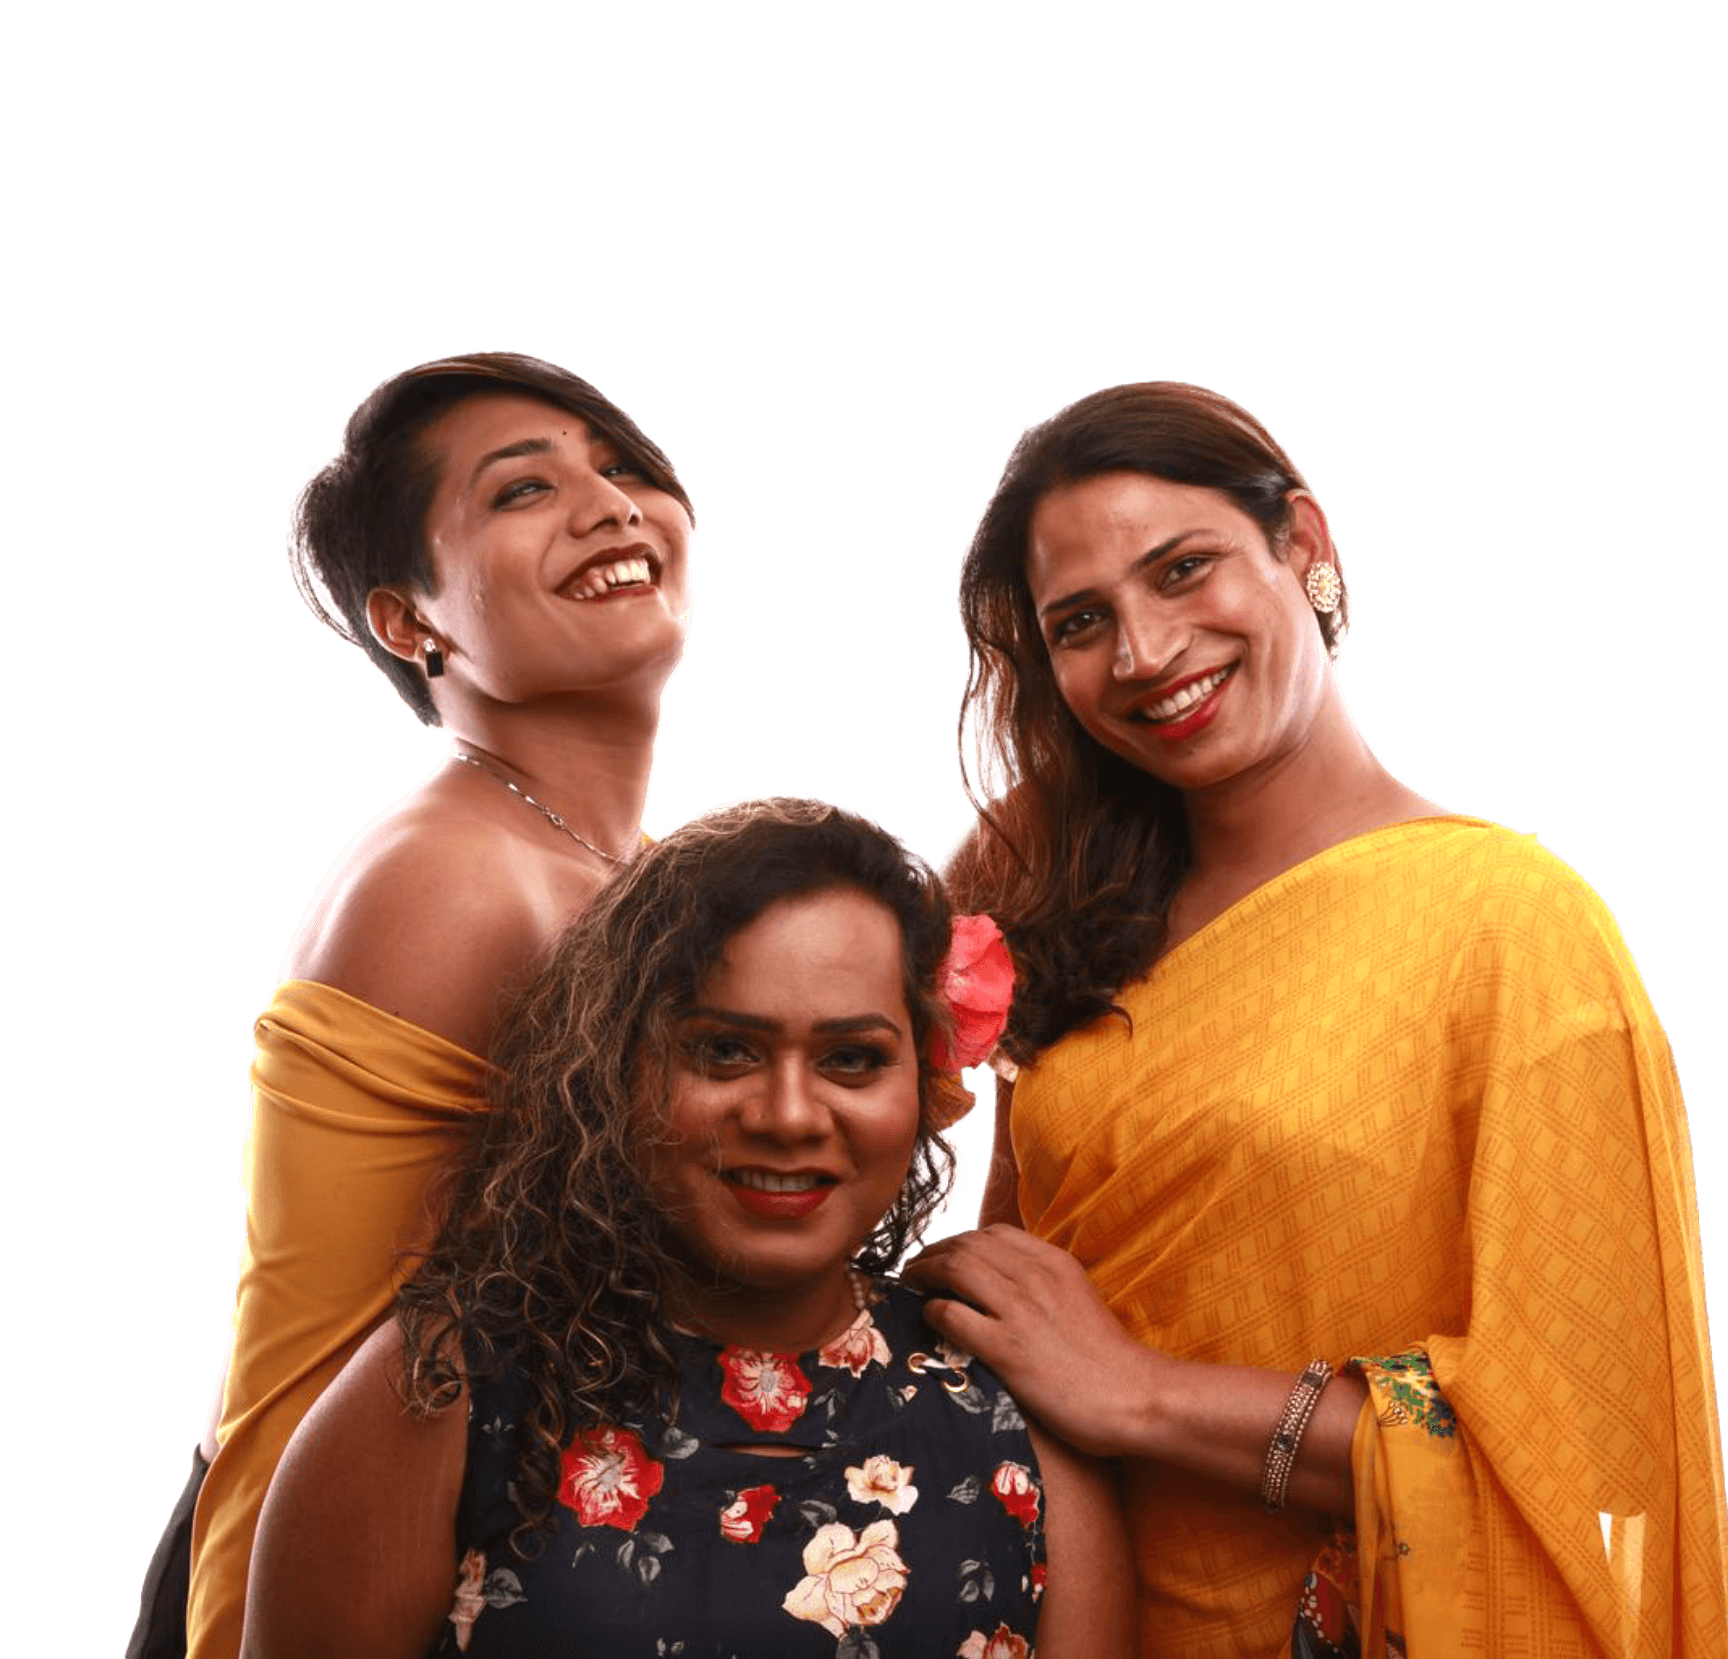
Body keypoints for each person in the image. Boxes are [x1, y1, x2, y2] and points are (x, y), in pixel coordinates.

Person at [903, 382, 1727, 1654]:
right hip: (1061, 1614)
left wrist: (1142, 1394)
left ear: (1304, 543)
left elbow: (1576, 1440)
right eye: (1082, 622)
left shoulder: (1510, 925)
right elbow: (1013, 1288)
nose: (1144, 652)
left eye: (1183, 569)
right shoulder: (1061, 907)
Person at [240, 798, 1134, 1658]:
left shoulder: (1018, 1427)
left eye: (851, 1058)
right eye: (725, 1050)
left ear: (923, 1084)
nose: (789, 1115)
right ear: (616, 1065)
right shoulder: (447, 1390)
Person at [129, 351, 698, 1659]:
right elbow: (321, 1368)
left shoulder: (624, 866)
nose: (611, 505)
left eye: (621, 466)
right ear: (409, 621)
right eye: (523, 490)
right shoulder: (451, 882)